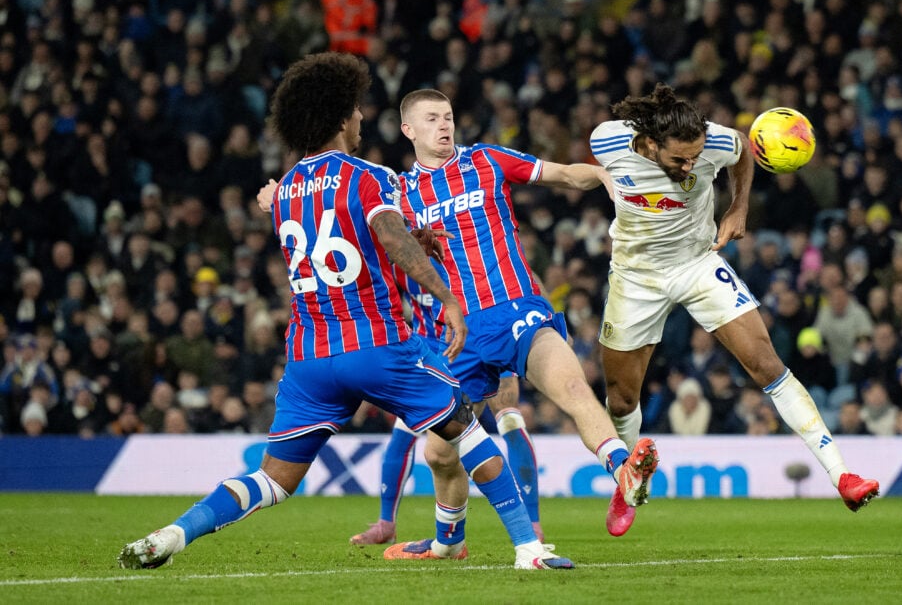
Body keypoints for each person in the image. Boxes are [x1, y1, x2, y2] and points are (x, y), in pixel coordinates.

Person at [118, 52, 571, 571]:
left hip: (310, 356)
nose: (360, 118)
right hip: (376, 343)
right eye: (354, 110)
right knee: (467, 431)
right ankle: (529, 549)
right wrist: (446, 297)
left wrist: (412, 234)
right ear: (338, 118)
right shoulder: (366, 173)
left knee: (273, 480)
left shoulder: (285, 189)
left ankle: (176, 534)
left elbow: (345, 234)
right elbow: (388, 236)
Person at [590, 83, 879, 516]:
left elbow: (743, 148)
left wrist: (738, 206)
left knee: (766, 363)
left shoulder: (714, 141)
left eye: (696, 156)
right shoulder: (607, 141)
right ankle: (629, 484)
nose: (690, 164)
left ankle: (843, 476)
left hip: (697, 263)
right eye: (679, 159)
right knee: (620, 399)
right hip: (635, 276)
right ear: (650, 144)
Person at [349, 270, 545, 546]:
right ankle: (386, 524)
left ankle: (532, 523)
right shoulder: (396, 260)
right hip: (429, 349)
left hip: (483, 339)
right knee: (407, 430)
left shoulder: (459, 253)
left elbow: (524, 274)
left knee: (509, 418)